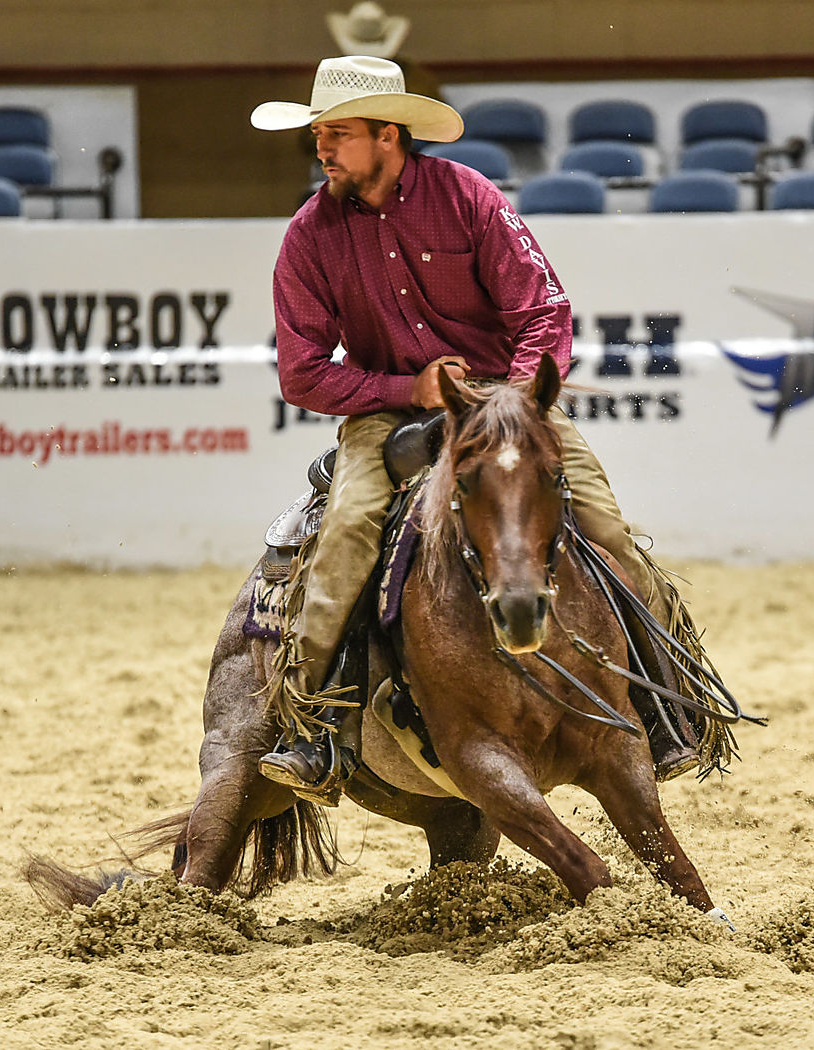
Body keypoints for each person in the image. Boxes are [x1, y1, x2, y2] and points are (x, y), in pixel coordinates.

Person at [249, 55, 697, 804]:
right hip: (389, 412)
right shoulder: (310, 234)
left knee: (605, 530)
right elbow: (300, 372)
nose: (322, 149)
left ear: (388, 135)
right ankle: (316, 729)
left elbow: (542, 314)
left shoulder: (468, 198)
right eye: (319, 134)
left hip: (500, 399)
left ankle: (658, 703)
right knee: (348, 531)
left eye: (338, 134)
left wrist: (513, 401)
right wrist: (405, 386)